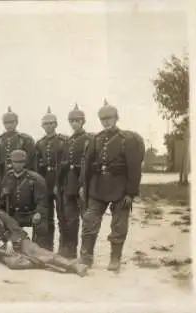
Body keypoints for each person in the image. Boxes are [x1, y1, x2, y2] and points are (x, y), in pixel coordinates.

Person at [79, 99, 143, 272]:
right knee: (89, 221)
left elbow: (134, 168)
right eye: (103, 119)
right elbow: (88, 166)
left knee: (119, 224)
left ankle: (115, 258)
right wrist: (84, 186)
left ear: (116, 118)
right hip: (98, 187)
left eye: (109, 118)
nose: (106, 121)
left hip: (120, 189)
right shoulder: (95, 139)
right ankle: (86, 257)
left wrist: (131, 193)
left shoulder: (127, 139)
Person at [0, 198, 88, 277]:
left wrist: (10, 241)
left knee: (38, 252)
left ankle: (74, 265)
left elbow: (16, 229)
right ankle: (53, 263)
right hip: (3, 252)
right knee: (14, 264)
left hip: (19, 242)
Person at [57, 104, 92, 259]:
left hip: (83, 183)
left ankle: (87, 253)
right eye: (72, 121)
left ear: (83, 121)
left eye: (77, 121)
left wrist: (85, 185)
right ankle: (70, 249)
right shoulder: (68, 141)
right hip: (69, 184)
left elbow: (91, 164)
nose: (74, 123)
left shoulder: (89, 139)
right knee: (70, 219)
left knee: (88, 219)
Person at [34, 107, 68, 252]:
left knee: (63, 215)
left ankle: (64, 248)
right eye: (46, 124)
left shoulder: (63, 141)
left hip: (59, 181)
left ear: (56, 124)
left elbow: (66, 164)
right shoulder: (40, 143)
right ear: (42, 126)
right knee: (46, 216)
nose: (48, 126)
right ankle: (47, 247)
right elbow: (37, 166)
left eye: (51, 123)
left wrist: (59, 183)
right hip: (44, 182)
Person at [1, 149, 49, 240]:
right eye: (15, 162)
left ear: (24, 163)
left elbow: (42, 200)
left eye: (20, 162)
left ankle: (40, 248)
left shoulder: (35, 178)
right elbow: (1, 200)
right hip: (14, 214)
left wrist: (38, 213)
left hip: (30, 214)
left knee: (41, 225)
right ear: (11, 163)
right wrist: (3, 194)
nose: (17, 165)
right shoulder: (8, 177)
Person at [0, 107, 36, 179]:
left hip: (21, 175)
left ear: (16, 122)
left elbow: (30, 160)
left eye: (11, 122)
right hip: (3, 175)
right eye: (6, 123)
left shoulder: (25, 139)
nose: (9, 125)